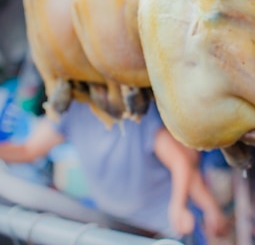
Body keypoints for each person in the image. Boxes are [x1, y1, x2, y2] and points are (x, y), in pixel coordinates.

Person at [0, 100, 229, 243]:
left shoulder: (135, 110)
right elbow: (29, 150)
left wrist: (187, 207)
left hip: (163, 226)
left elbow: (180, 161)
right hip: (113, 224)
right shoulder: (72, 108)